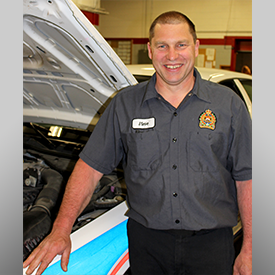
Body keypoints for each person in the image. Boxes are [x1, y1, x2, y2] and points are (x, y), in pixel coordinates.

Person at [23, 11, 252, 275]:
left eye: (181, 44)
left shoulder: (228, 104)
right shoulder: (125, 104)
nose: (172, 55)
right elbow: (89, 169)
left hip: (211, 244)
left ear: (196, 47)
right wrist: (61, 230)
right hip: (147, 244)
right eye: (162, 46)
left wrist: (250, 247)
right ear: (150, 50)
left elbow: (247, 178)